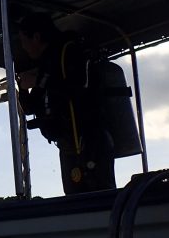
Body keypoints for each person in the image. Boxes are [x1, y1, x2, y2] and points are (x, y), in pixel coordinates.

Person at [17, 12, 115, 194]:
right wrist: (22, 88)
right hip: (68, 145)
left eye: (24, 41)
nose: (23, 47)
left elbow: (78, 87)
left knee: (99, 199)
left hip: (89, 141)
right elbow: (31, 108)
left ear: (36, 37)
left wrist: (39, 81)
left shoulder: (69, 51)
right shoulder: (46, 65)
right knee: (76, 202)